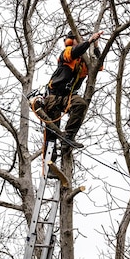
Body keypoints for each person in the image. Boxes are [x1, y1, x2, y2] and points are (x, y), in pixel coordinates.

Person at [42, 29, 104, 162]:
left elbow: (99, 66)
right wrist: (89, 41)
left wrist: (96, 46)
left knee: (80, 104)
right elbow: (76, 52)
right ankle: (49, 161)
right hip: (53, 95)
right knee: (52, 132)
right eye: (78, 39)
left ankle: (68, 137)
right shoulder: (67, 52)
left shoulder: (83, 64)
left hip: (68, 97)